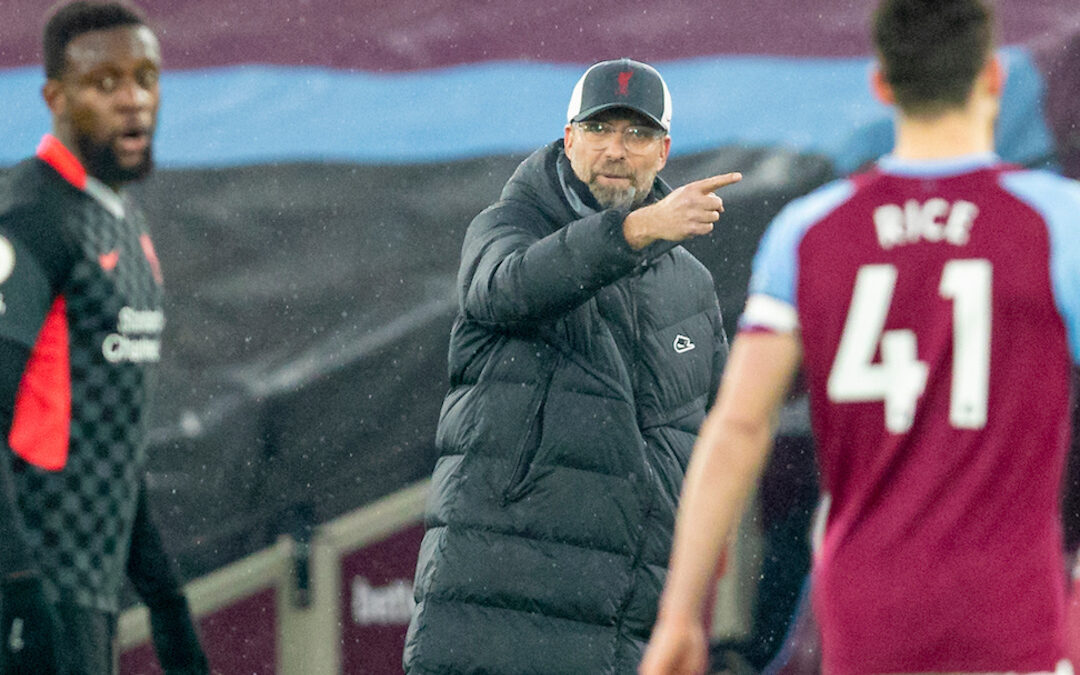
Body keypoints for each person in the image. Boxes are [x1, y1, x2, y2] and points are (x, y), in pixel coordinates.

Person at [641, 0, 1080, 673]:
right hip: (1007, 611)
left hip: (869, 611)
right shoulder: (1057, 223)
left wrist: (679, 614)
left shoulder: (811, 231)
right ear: (992, 77)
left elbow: (738, 427)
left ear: (882, 84)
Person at [404, 57, 740, 673]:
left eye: (636, 134)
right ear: (568, 139)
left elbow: (708, 441)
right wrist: (635, 232)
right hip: (497, 618)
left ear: (664, 152)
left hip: (626, 625)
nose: (616, 149)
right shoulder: (508, 226)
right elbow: (507, 288)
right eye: (599, 129)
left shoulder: (691, 286)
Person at [0, 2, 208, 673]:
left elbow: (108, 436)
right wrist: (18, 585)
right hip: (36, 595)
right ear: (55, 97)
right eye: (106, 82)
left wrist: (165, 599)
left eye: (146, 78)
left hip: (87, 598)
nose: (133, 101)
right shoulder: (32, 220)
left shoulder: (122, 221)